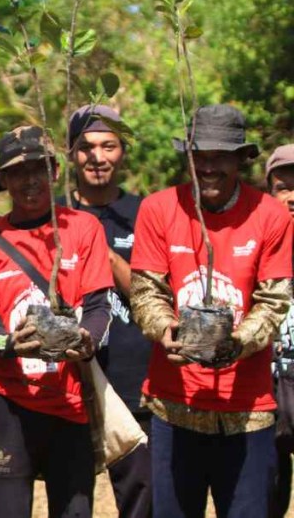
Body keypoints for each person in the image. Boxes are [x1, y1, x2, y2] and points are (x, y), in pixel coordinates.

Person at [130, 104, 292, 517]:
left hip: (247, 409)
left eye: (220, 156)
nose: (208, 167)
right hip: (173, 403)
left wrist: (237, 343)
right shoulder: (159, 208)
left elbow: (274, 300)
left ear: (241, 159)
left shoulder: (270, 215)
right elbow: (147, 290)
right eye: (198, 156)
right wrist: (166, 330)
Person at [0, 125, 113, 517]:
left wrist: (87, 339)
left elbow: (100, 306)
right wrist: (11, 343)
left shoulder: (83, 229)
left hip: (70, 400)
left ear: (56, 171)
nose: (29, 179)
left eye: (39, 168)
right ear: (3, 180)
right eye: (17, 171)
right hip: (10, 404)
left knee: (76, 510)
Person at [64, 105, 151, 518]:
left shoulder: (147, 214)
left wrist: (103, 249)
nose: (97, 156)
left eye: (108, 146)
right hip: (68, 384)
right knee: (72, 503)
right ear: (70, 154)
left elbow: (157, 296)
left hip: (134, 382)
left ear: (123, 152)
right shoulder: (52, 214)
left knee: (141, 501)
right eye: (86, 147)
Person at [266, 144, 294, 518]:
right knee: (265, 495)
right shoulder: (254, 241)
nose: (292, 196)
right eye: (282, 187)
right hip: (266, 389)